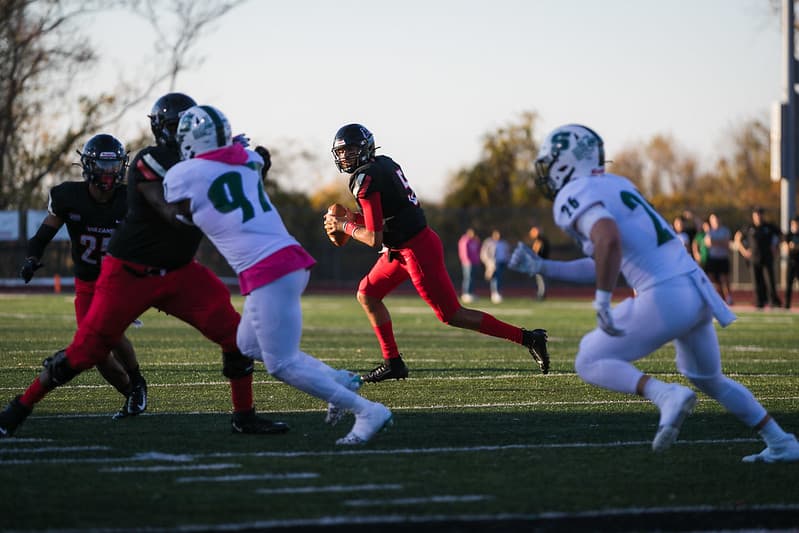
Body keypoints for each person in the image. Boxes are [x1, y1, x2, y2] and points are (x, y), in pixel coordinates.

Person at [0, 92, 287, 438]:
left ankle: (244, 415)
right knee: (87, 351)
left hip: (180, 271)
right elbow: (175, 213)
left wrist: (250, 173)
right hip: (129, 273)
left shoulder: (211, 164)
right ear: (165, 130)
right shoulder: (151, 161)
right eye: (179, 128)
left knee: (236, 336)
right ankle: (18, 408)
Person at [509, 123, 799, 462]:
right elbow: (605, 257)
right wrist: (544, 268)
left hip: (666, 293)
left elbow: (608, 241)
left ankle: (665, 396)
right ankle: (781, 442)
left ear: (566, 162)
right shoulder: (617, 184)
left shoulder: (573, 195)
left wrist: (602, 299)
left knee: (588, 359)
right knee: (707, 377)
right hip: (696, 289)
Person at [163, 105, 392, 445]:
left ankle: (366, 410)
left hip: (269, 269)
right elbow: (250, 159)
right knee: (245, 344)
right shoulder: (247, 160)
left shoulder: (183, 174)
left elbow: (173, 208)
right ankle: (338, 380)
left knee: (281, 364)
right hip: (283, 263)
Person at [323, 123, 549, 382]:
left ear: (365, 148)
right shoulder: (384, 164)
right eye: (341, 152)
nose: (345, 157)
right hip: (401, 248)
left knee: (452, 315)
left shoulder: (365, 177)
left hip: (416, 250)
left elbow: (373, 238)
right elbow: (388, 215)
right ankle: (393, 362)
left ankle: (529, 338)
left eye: (350, 150)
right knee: (367, 294)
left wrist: (344, 224)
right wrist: (353, 218)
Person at [19, 134, 147, 419]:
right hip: (87, 282)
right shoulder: (68, 196)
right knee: (99, 355)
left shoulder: (130, 199)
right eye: (103, 165)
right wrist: (31, 259)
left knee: (108, 335)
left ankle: (138, 382)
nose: (109, 172)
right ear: (88, 166)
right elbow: (41, 237)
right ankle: (131, 393)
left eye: (114, 165)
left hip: (120, 279)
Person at [734, 207, 782, 309]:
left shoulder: (769, 227)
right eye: (756, 215)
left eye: (760, 215)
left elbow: (781, 236)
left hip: (767, 257)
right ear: (753, 216)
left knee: (770, 281)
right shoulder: (749, 227)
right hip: (754, 259)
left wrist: (776, 248)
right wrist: (743, 251)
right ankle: (759, 302)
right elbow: (737, 237)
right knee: (756, 282)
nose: (758, 217)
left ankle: (773, 301)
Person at [704, 213, 733, 305]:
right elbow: (708, 243)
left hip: (723, 258)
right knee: (713, 280)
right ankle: (720, 297)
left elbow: (726, 243)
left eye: (716, 219)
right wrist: (720, 242)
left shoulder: (725, 231)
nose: (715, 222)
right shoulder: (709, 231)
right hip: (713, 259)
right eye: (712, 220)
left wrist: (715, 242)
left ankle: (728, 297)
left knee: (725, 279)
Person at [480, 229, 510, 304]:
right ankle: (495, 293)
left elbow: (507, 253)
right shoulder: (489, 242)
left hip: (502, 262)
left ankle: (498, 293)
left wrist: (507, 260)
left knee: (500, 278)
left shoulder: (503, 243)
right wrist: (488, 262)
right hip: (493, 263)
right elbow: (484, 253)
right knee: (495, 278)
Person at [457, 228, 481, 303]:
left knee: (472, 278)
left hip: (474, 262)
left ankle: (471, 293)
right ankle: (466, 293)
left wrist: (478, 242)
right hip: (467, 263)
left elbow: (478, 250)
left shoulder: (474, 241)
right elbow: (464, 252)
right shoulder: (464, 240)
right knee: (468, 278)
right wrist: (468, 261)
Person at [528, 225, 550, 300]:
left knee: (541, 279)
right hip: (541, 262)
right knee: (540, 279)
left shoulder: (540, 241)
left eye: (533, 232)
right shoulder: (541, 240)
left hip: (540, 263)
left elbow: (536, 253)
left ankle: (541, 294)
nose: (531, 233)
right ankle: (540, 293)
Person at [784, 216, 799, 309]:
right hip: (791, 262)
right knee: (788, 284)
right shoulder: (788, 235)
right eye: (794, 224)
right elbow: (786, 248)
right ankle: (787, 305)